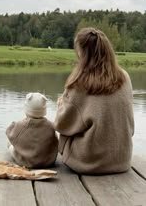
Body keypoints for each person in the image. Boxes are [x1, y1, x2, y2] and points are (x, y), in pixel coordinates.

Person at [54, 27, 134, 174]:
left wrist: (61, 105)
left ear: (82, 53)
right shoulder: (125, 77)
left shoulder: (79, 82)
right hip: (122, 161)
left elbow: (62, 125)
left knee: (67, 130)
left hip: (88, 163)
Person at [6, 92, 58, 169]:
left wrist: (16, 123)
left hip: (25, 162)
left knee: (9, 144)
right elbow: (56, 141)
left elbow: (9, 132)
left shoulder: (20, 125)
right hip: (47, 162)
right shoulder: (51, 126)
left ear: (26, 109)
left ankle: (23, 154)